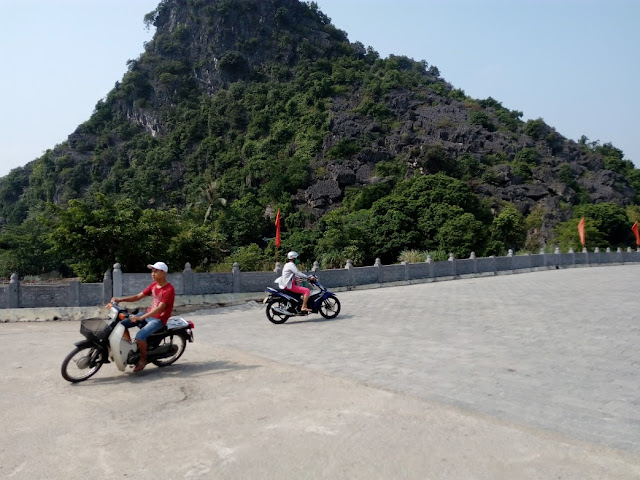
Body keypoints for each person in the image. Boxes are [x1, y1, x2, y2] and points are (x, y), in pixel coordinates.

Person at [111, 261, 175, 372]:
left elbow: (159, 309)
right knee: (122, 324)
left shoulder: (169, 289)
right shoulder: (154, 285)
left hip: (159, 319)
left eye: (155, 271)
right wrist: (120, 300)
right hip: (149, 313)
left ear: (163, 273)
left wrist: (140, 318)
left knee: (140, 336)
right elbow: (137, 297)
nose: (152, 273)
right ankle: (130, 348)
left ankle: (143, 359)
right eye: (152, 271)